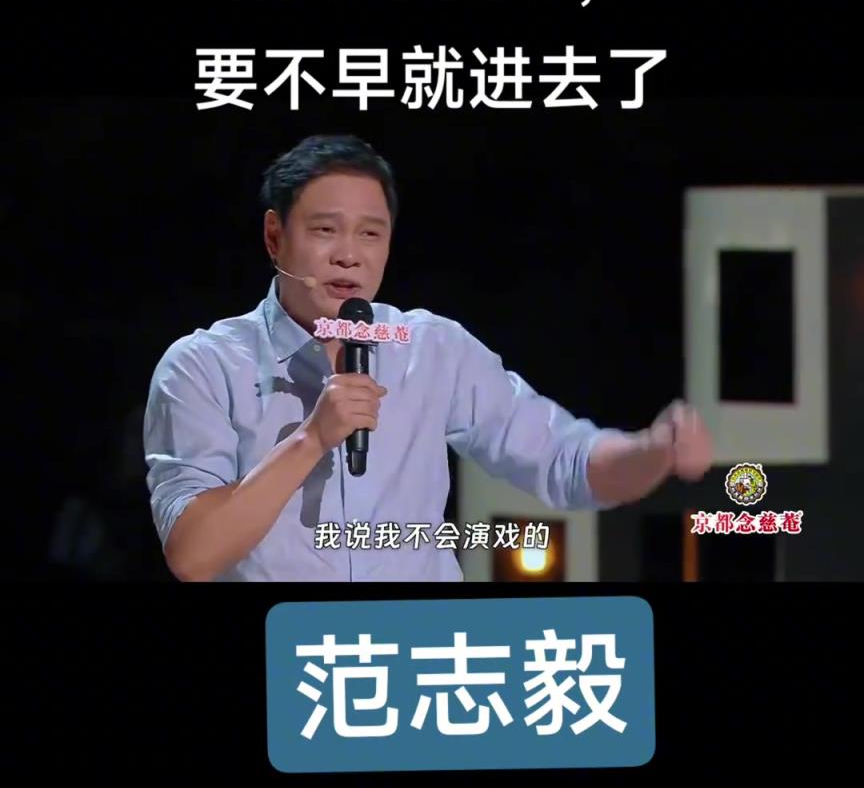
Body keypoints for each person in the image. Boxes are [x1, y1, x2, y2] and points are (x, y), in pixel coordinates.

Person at [143, 134, 713, 582]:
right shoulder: (202, 367)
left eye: (371, 235)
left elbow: (565, 462)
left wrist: (652, 450)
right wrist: (311, 440)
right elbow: (193, 554)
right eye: (325, 231)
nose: (349, 256)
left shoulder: (432, 350)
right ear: (275, 237)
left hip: (415, 661)